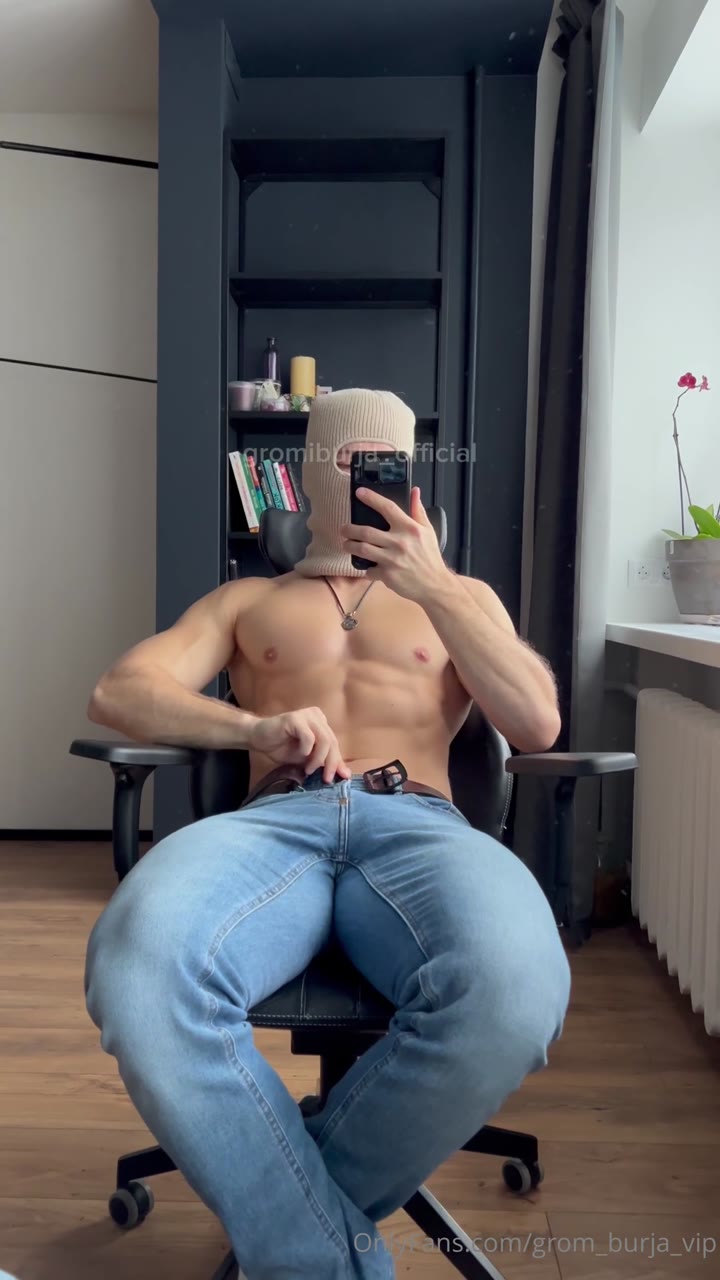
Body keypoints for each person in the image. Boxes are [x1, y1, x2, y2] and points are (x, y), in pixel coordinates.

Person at [84, 389, 571, 1279]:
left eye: (391, 461)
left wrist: (436, 586)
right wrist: (252, 729)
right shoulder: (249, 599)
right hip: (276, 822)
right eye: (351, 461)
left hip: (420, 825)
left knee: (516, 990)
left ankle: (290, 1223)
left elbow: (537, 722)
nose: (370, 478)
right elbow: (119, 692)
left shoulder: (459, 598)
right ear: (311, 474)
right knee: (137, 966)